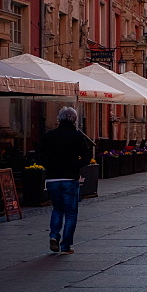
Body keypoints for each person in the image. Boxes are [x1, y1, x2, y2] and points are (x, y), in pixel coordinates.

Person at [37, 107, 93, 254]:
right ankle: (66, 245)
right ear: (74, 120)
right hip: (70, 178)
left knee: (57, 209)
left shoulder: (49, 135)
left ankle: (54, 236)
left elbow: (39, 155)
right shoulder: (76, 136)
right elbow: (87, 155)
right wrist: (77, 165)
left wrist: (48, 166)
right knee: (70, 213)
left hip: (52, 178)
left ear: (59, 119)